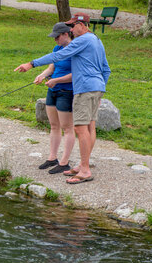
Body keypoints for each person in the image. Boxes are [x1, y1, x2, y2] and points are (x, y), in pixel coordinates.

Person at [14, 13, 111, 184]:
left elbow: (58, 57)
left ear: (82, 25)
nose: (71, 30)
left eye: (73, 26)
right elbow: (106, 69)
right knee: (88, 128)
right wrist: (100, 89)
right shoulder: (97, 40)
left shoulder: (82, 40)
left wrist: (31, 64)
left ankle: (85, 170)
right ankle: (82, 165)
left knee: (80, 129)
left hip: (84, 88)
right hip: (95, 88)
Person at [35, 22, 75, 174]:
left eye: (57, 37)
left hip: (66, 91)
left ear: (66, 34)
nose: (55, 40)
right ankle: (52, 157)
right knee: (54, 125)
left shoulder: (75, 50)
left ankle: (65, 162)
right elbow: (51, 68)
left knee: (67, 127)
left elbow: (75, 75)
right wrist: (42, 75)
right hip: (53, 90)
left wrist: (56, 80)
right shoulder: (57, 49)